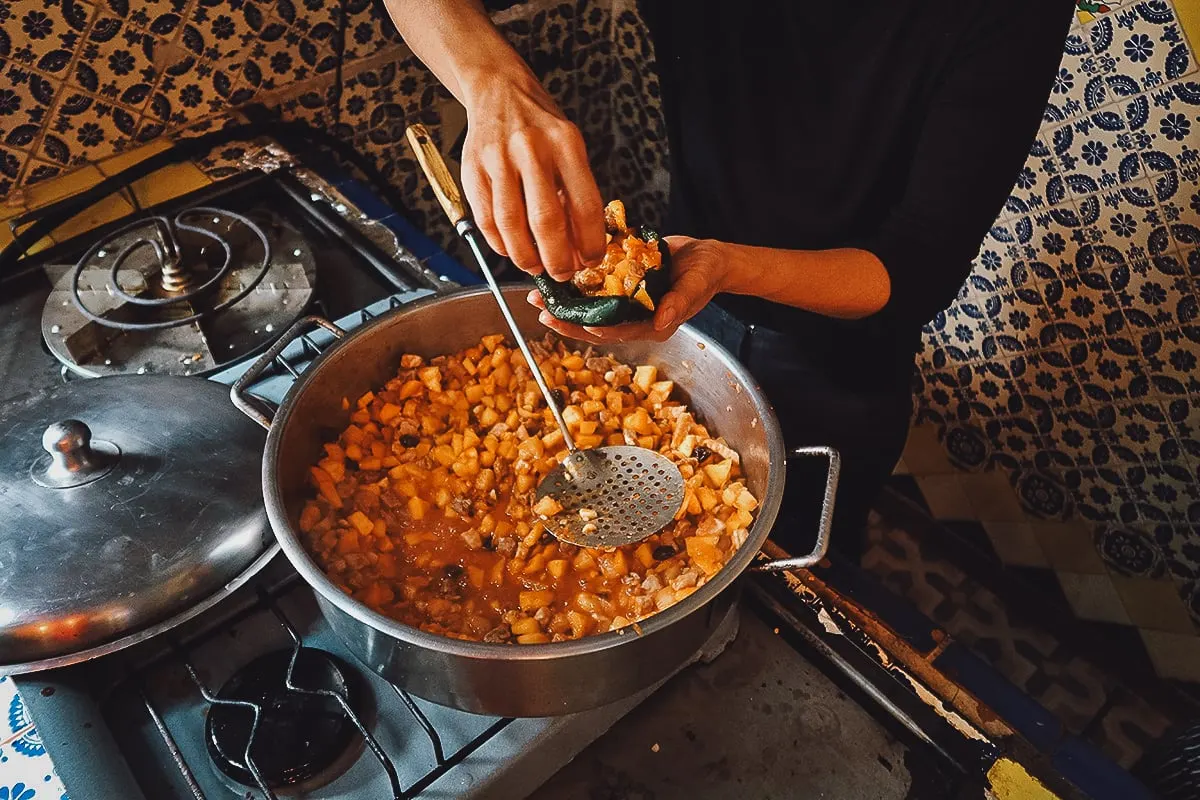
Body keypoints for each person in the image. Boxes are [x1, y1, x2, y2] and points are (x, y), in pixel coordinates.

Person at [388, 0, 1075, 562]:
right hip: (690, 312)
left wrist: (725, 266)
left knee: (801, 561)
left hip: (844, 360)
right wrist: (495, 83)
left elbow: (916, 267)